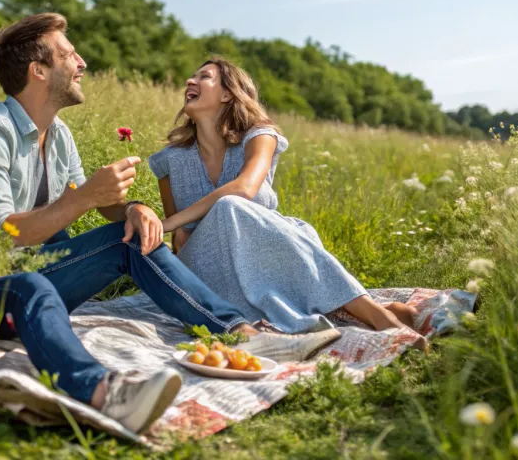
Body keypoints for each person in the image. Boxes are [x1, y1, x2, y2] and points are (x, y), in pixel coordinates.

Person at [0, 14, 342, 434]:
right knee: (31, 285)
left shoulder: (58, 134)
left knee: (130, 238)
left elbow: (102, 205)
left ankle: (243, 333)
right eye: (69, 54)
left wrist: (135, 208)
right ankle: (104, 393)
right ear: (39, 70)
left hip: (29, 273)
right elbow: (0, 237)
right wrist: (84, 198)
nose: (81, 62)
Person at [148, 58, 427, 348]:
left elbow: (244, 188)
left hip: (268, 252)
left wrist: (168, 222)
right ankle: (374, 315)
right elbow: (180, 239)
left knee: (293, 227)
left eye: (203, 77)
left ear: (227, 93)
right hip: (206, 268)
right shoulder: (170, 160)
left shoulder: (258, 135)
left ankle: (361, 314)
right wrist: (173, 228)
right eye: (191, 78)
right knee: (229, 209)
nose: (189, 82)